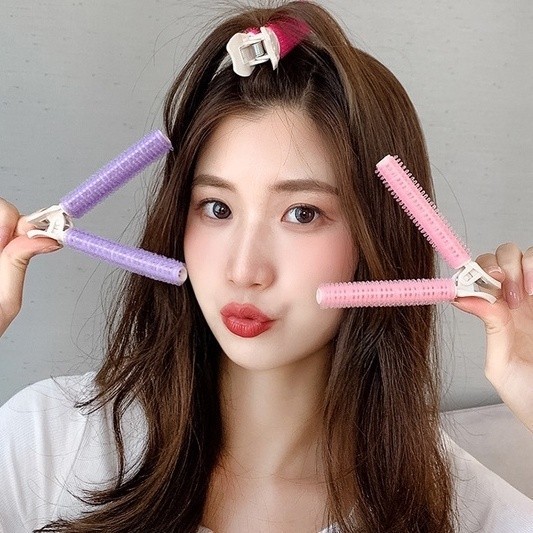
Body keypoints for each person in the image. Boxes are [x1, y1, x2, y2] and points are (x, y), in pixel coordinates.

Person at [0, 1, 532, 532]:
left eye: (302, 214)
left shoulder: (464, 513)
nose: (244, 269)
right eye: (217, 208)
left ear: (379, 236)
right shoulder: (49, 441)